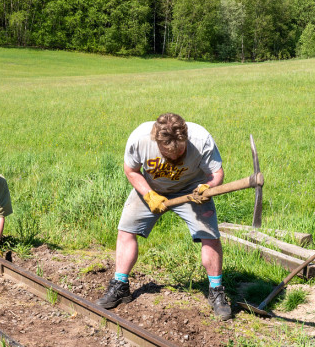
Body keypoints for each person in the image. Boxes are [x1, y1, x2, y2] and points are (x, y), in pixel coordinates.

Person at [97, 113, 232, 320]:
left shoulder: (201, 139)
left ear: (186, 139)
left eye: (180, 153)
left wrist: (208, 187)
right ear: (156, 141)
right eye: (168, 154)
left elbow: (217, 173)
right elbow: (131, 170)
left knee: (210, 236)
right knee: (126, 230)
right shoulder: (139, 138)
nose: (175, 157)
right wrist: (149, 195)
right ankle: (120, 285)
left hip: (192, 191)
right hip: (151, 188)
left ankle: (216, 292)